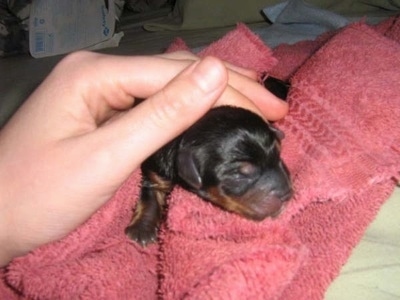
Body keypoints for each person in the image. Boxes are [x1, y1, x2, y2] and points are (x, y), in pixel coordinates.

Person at [0, 50, 288, 267]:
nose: (282, 186)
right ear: (192, 172)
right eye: (240, 173)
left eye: (274, 156)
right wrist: (148, 215)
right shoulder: (162, 161)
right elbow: (152, 187)